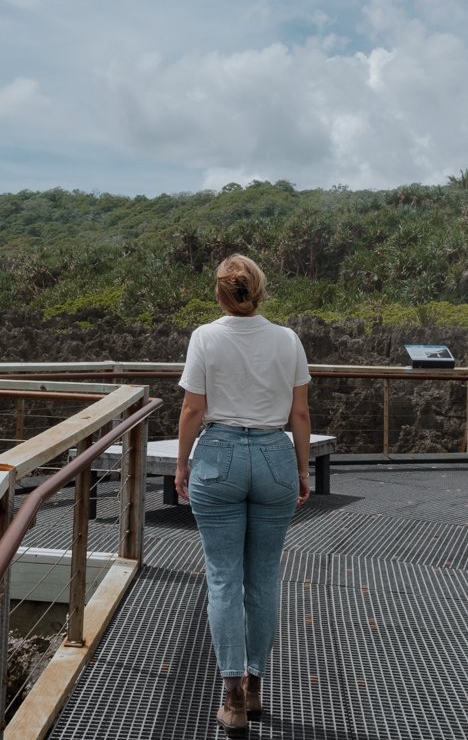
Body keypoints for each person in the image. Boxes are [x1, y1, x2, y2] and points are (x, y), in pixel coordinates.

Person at [175, 254, 311, 736]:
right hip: (275, 455)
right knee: (264, 579)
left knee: (223, 579)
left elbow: (193, 409)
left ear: (220, 292)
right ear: (259, 290)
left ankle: (231, 696)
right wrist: (300, 468)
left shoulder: (205, 337)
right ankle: (256, 684)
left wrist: (181, 463)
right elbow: (299, 414)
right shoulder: (288, 339)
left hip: (219, 456)